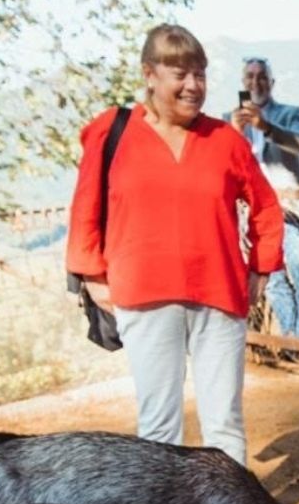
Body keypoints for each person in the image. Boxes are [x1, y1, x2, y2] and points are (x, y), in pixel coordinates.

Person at [66, 24, 283, 467]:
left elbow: (266, 206)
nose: (193, 86)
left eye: (200, 74)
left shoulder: (224, 139)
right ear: (150, 74)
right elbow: (85, 204)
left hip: (220, 295)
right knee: (159, 425)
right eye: (180, 73)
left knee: (224, 422)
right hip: (144, 296)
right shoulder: (112, 131)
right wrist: (91, 275)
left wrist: (260, 267)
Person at [230, 57, 299, 341]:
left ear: (270, 82)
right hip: (254, 215)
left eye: (261, 76)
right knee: (273, 283)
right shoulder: (230, 120)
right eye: (250, 77)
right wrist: (235, 132)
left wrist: (266, 126)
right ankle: (292, 340)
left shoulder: (289, 113)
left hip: (290, 211)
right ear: (243, 83)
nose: (255, 82)